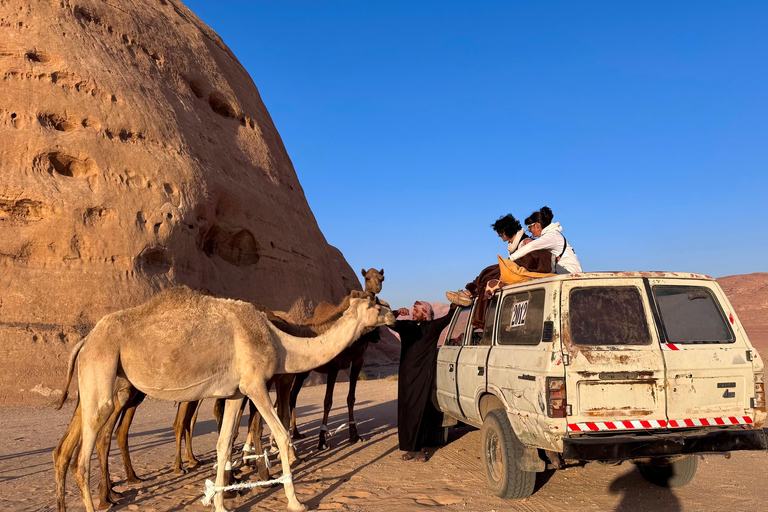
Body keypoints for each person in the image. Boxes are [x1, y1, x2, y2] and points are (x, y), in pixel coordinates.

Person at [445, 214, 552, 328]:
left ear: (506, 231)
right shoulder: (514, 244)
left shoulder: (526, 241)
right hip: (518, 270)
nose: (498, 235)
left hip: (528, 270)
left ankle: (469, 292)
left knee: (491, 271)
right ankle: (469, 292)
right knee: (490, 273)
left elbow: (533, 260)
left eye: (500, 233)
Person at [391, 300, 457, 462]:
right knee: (406, 411)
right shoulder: (407, 327)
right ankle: (409, 449)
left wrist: (454, 304)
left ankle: (420, 450)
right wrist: (396, 312)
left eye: (416, 311)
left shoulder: (432, 328)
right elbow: (388, 322)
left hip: (423, 376)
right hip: (406, 376)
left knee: (420, 411)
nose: (413, 313)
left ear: (425, 313)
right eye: (413, 311)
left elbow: (449, 317)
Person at [508, 206, 582, 274]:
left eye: (529, 227)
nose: (529, 230)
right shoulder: (550, 236)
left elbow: (532, 246)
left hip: (570, 272)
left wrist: (511, 259)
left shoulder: (552, 235)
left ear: (537, 225)